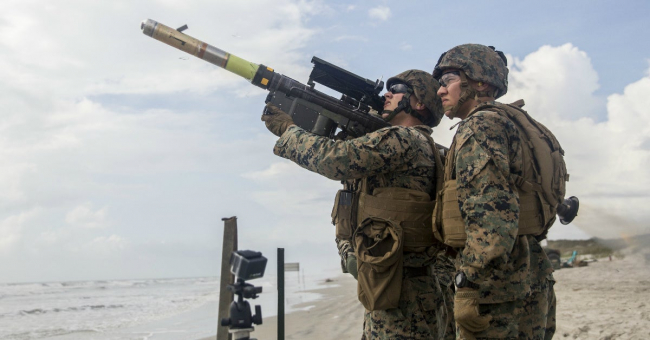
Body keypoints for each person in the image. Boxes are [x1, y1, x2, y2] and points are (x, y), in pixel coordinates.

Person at [262, 70, 456, 339]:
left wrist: (288, 130)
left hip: (403, 294)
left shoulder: (404, 139)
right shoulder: (420, 145)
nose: (387, 94)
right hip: (397, 285)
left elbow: (334, 159)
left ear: (419, 103)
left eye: (397, 88)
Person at [432, 44, 556, 340]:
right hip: (531, 268)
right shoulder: (513, 122)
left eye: (448, 79)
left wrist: (470, 285)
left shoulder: (480, 126)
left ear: (480, 82)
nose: (440, 91)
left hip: (495, 288)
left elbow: (491, 215)